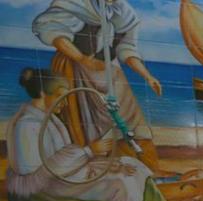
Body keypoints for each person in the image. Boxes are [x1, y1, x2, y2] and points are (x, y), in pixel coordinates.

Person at [5, 68, 166, 201]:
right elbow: (37, 173)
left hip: (66, 176)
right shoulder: (27, 125)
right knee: (119, 183)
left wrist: (105, 164)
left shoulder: (49, 119)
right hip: (49, 187)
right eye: (60, 95)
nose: (65, 102)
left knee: (132, 166)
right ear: (42, 93)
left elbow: (63, 160)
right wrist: (88, 151)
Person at [32, 0, 165, 172]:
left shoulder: (124, 12)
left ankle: (142, 166)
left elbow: (126, 48)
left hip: (110, 73)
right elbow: (53, 31)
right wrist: (83, 59)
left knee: (130, 120)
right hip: (77, 70)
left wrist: (147, 76)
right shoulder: (75, 3)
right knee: (85, 124)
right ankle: (95, 168)